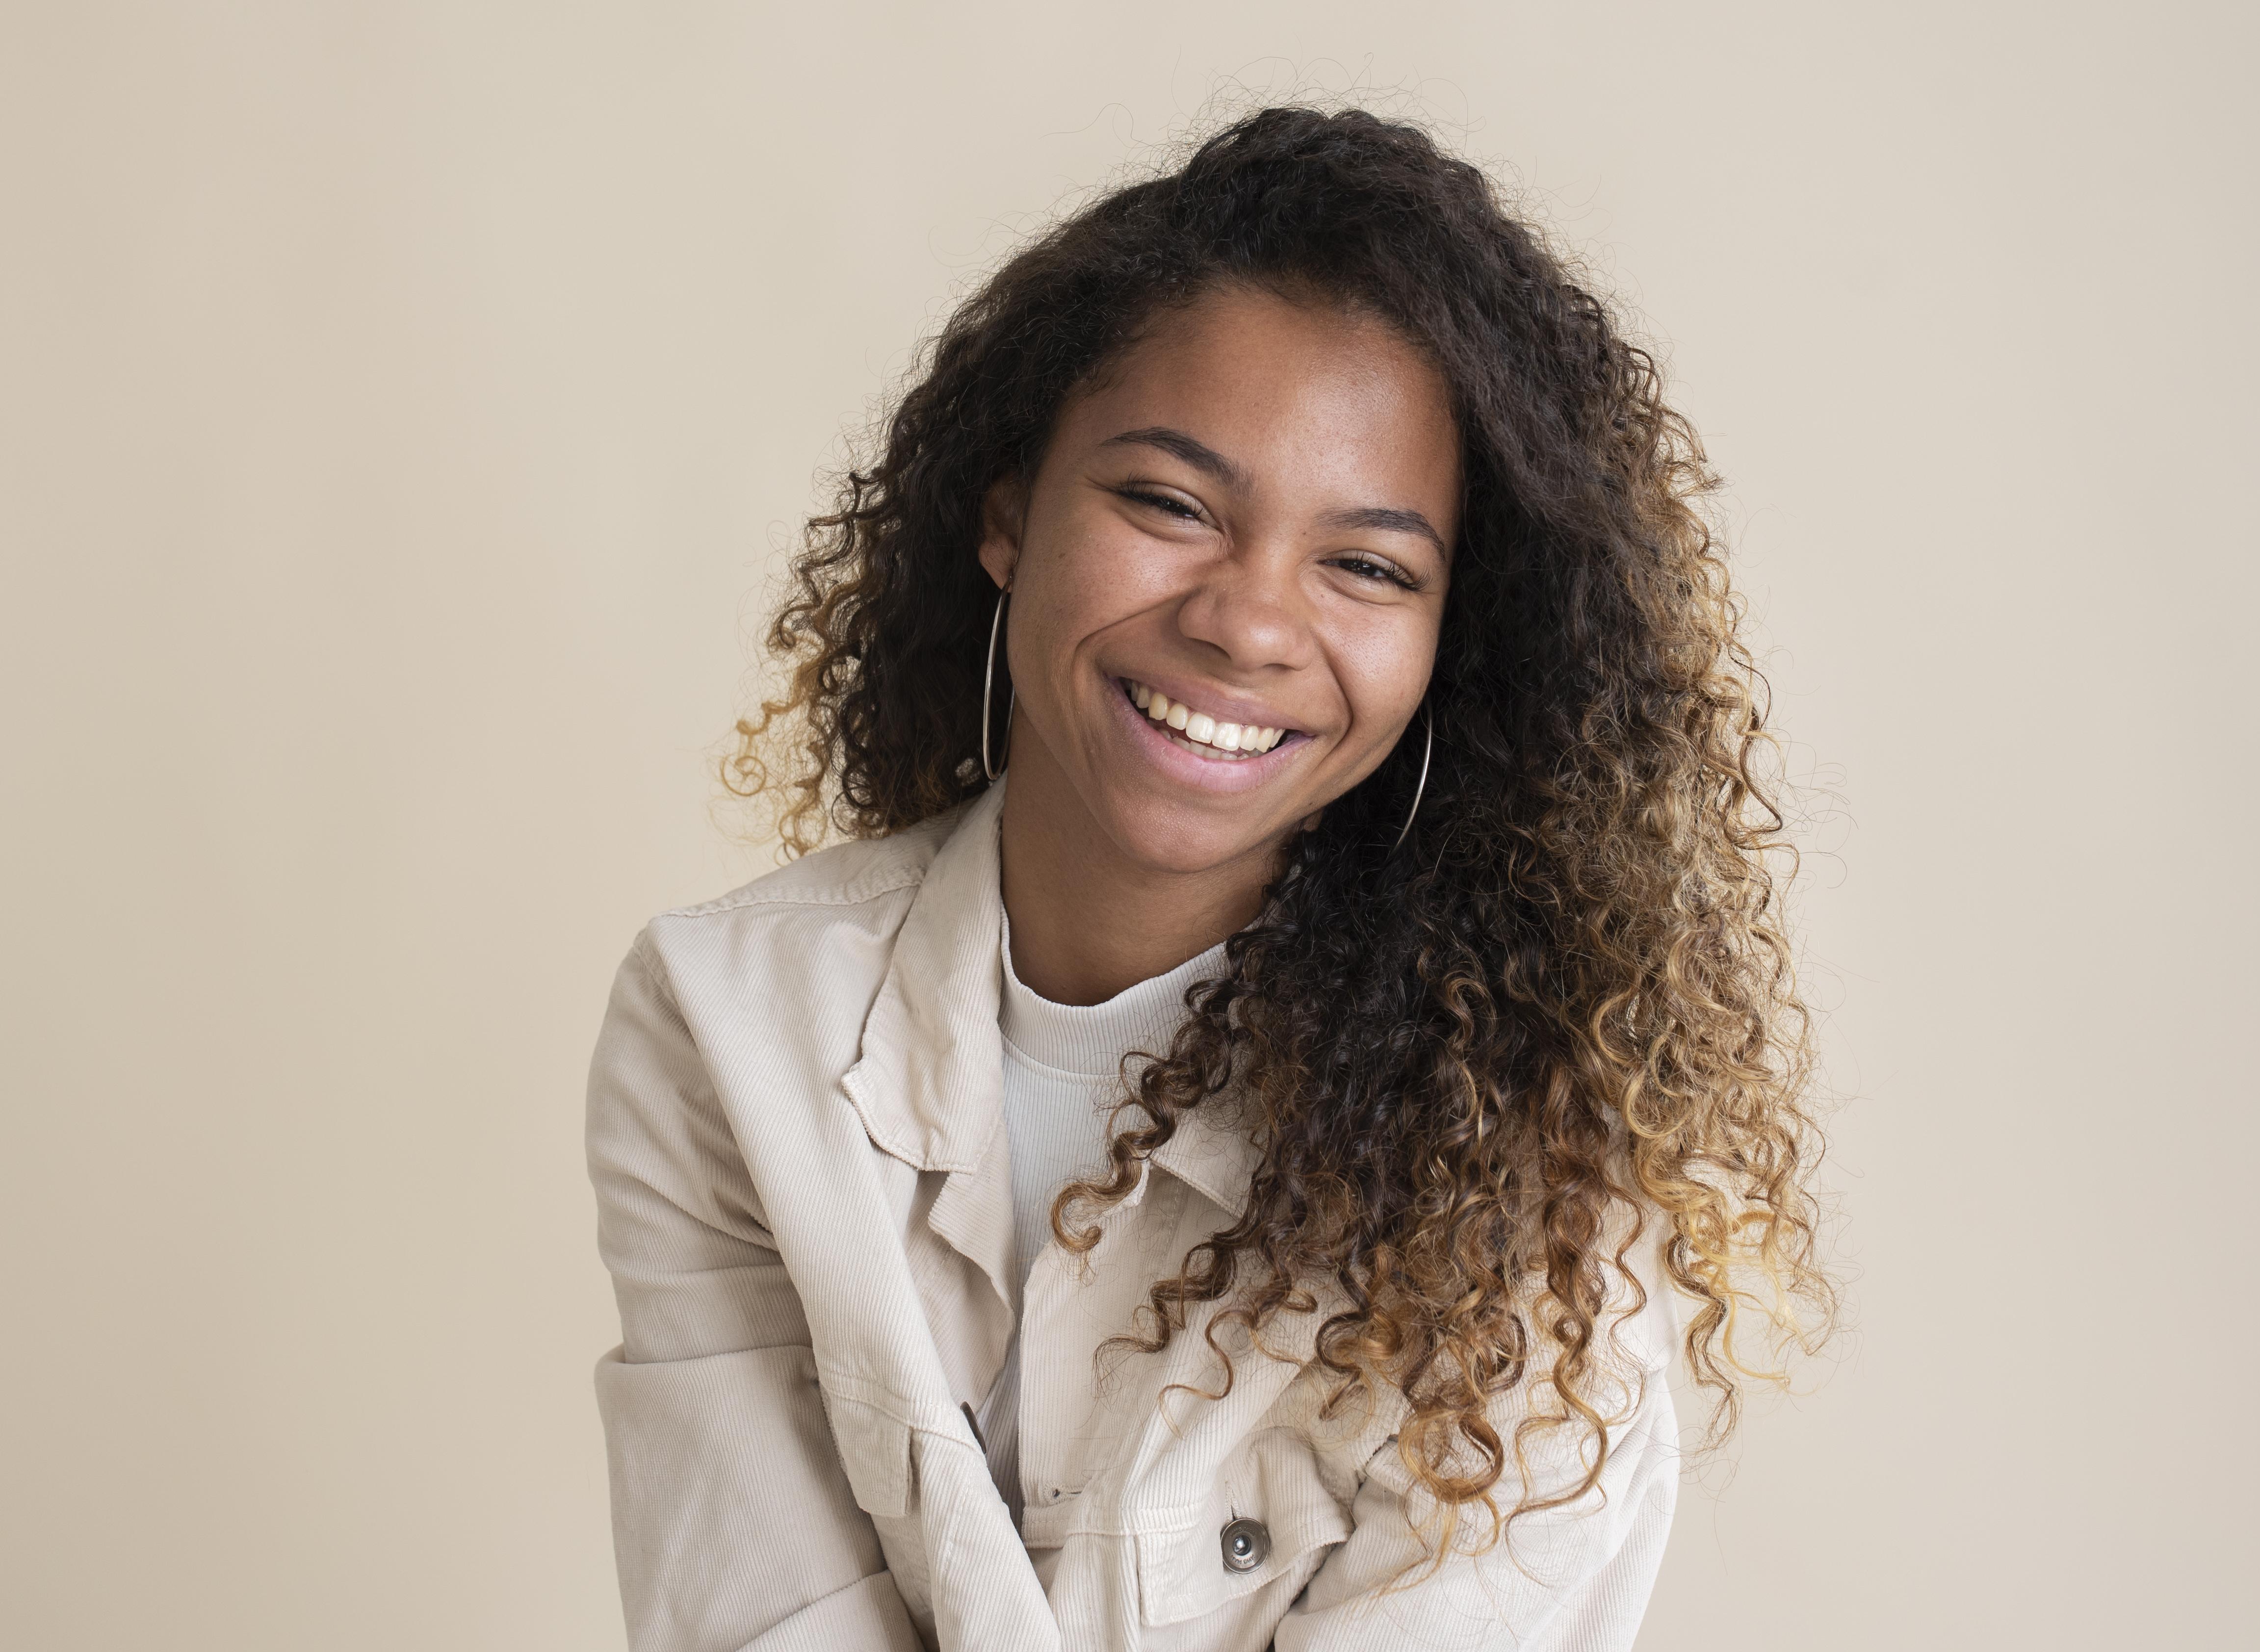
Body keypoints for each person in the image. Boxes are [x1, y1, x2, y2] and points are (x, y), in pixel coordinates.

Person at [586, 105, 1829, 1652]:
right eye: (1169, 505)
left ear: (1455, 648)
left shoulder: (1538, 1200)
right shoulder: (729, 1029)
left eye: (1368, 567)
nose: (1248, 623)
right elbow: (753, 1616)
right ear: (1006, 512)